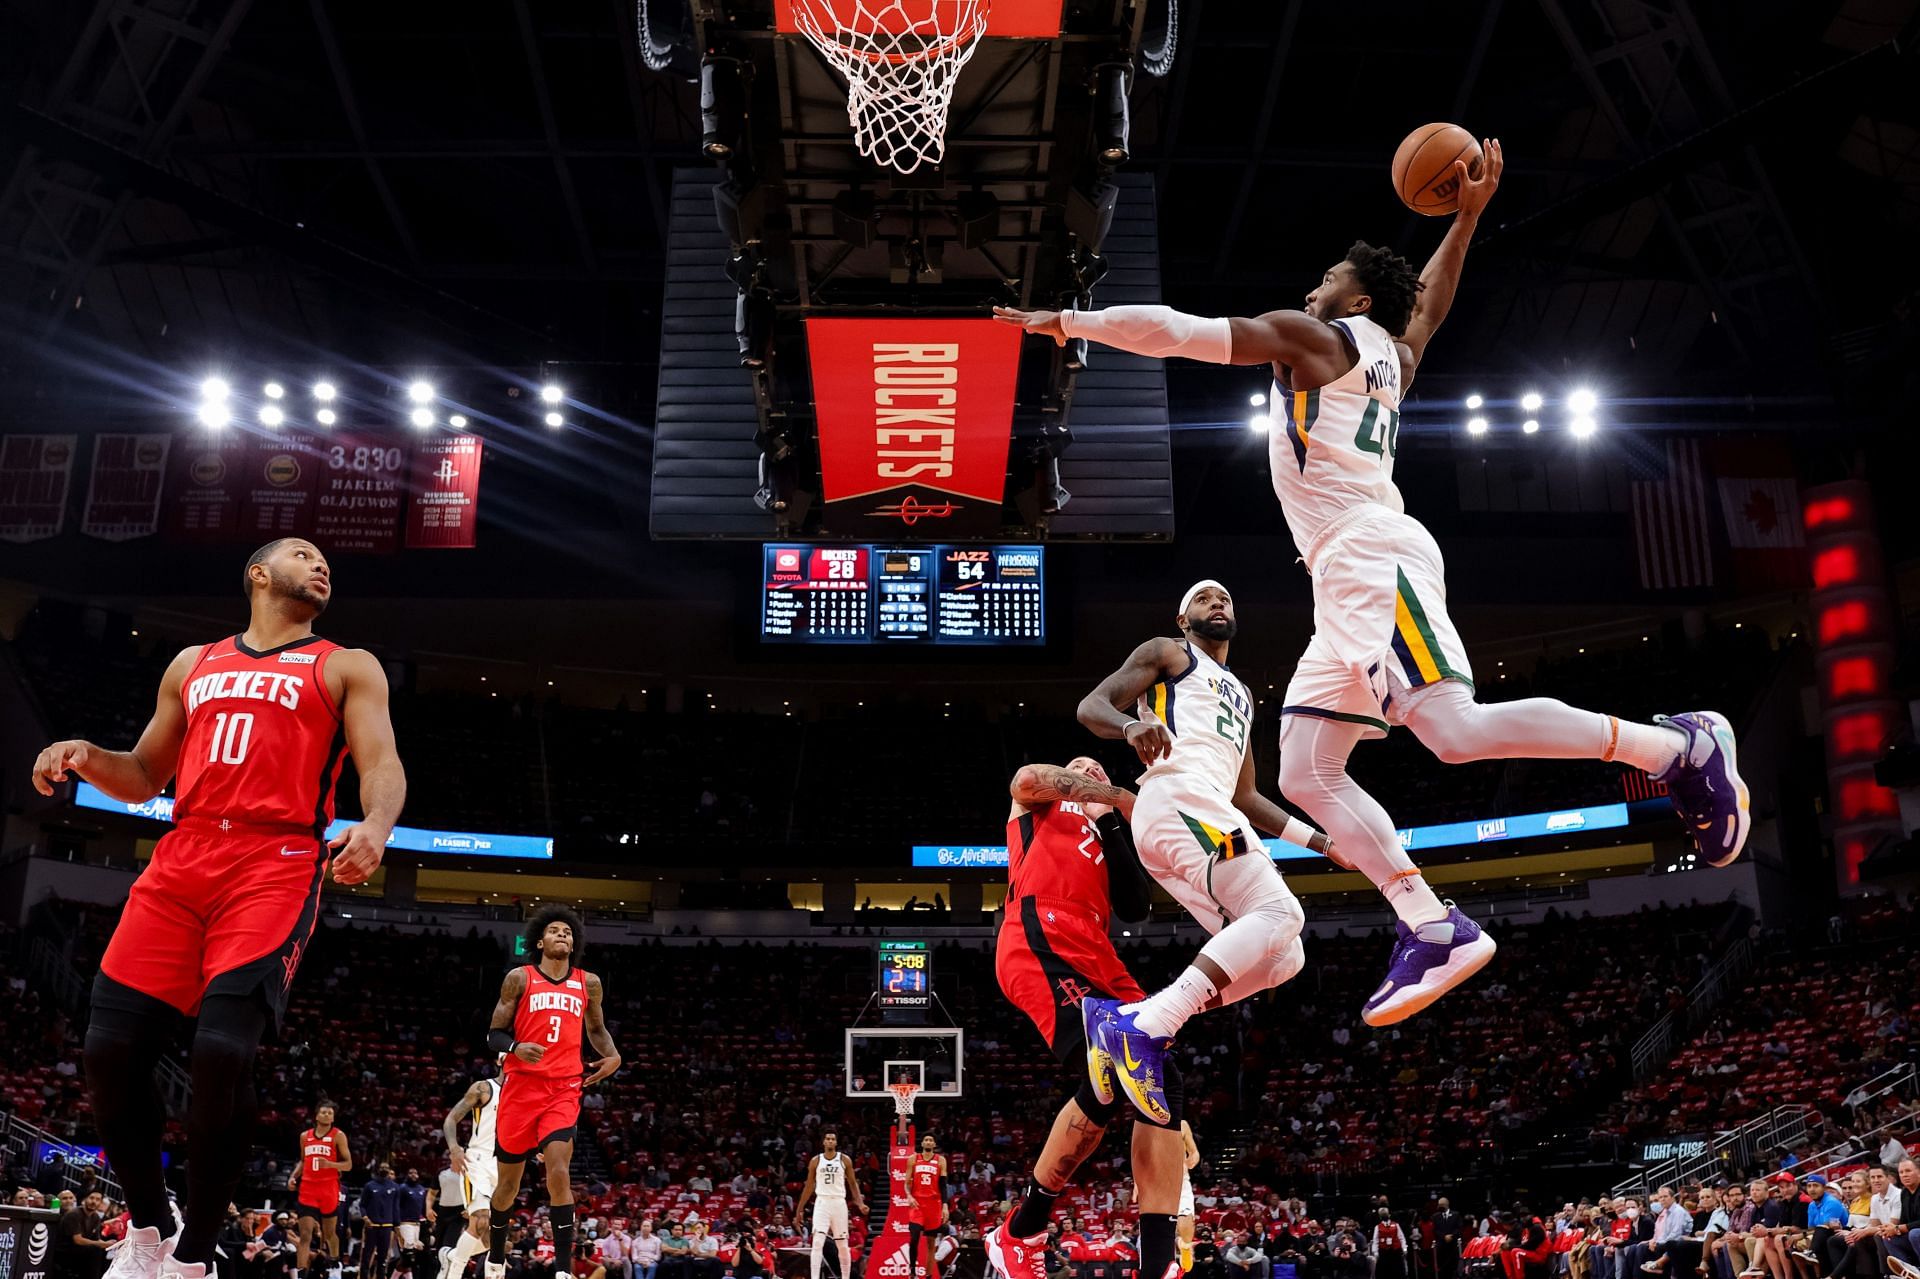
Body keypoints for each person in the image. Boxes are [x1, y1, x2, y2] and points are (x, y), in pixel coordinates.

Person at [998, 140, 1751, 1026]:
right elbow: (1429, 302)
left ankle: (1675, 747)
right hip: (1342, 576)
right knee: (1308, 767)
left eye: (1327, 277)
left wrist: (1070, 322)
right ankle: (1429, 922)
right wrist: (1466, 218)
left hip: (1369, 557)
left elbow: (1180, 331)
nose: (1313, 286)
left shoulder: (1313, 339)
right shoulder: (1394, 347)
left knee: (1455, 731)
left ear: (1351, 298)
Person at [31, 538, 404, 1279]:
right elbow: (141, 774)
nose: (321, 564)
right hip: (182, 857)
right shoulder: (193, 662)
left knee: (222, 1053)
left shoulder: (346, 663)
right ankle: (147, 1227)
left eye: (326, 558)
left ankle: (195, 1257)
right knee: (108, 1053)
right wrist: (83, 753)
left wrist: (376, 824)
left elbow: (382, 762)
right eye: (304, 553)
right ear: (258, 574)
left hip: (276, 861)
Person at [1070, 584, 1332, 1120]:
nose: (1218, 604)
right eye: (1205, 598)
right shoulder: (1170, 652)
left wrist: (1321, 841)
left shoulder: (1243, 693)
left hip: (1206, 812)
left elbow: (1248, 796)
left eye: (1227, 599)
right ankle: (1144, 1027)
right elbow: (1090, 706)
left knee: (1285, 957)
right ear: (1183, 615)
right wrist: (1129, 726)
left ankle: (1127, 1018)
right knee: (1282, 912)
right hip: (1178, 795)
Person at [983, 758, 1189, 1279]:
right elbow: (1025, 778)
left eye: (1094, 765)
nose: (1085, 767)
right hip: (1041, 930)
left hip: (1095, 946)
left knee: (1157, 1072)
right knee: (1118, 1059)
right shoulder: (1039, 803)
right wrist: (1114, 793)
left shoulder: (1104, 824)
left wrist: (1112, 817)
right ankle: (1023, 1233)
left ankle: (1152, 1257)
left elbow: (1137, 906)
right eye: (1079, 764)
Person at [485, 908, 622, 1279]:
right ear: (540, 942)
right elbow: (493, 1034)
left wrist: (612, 1055)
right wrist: (515, 1047)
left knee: (559, 1169)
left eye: (568, 931)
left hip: (563, 1087)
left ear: (573, 942)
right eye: (554, 931)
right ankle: (496, 1255)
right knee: (507, 1188)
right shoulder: (519, 978)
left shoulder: (588, 982)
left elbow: (597, 1029)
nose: (562, 935)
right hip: (521, 1089)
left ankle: (563, 1270)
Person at [437, 1073, 502, 1279]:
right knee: (480, 1221)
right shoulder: (484, 1088)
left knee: (495, 1239)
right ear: (501, 1061)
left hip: (504, 1165)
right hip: (478, 1160)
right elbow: (451, 1119)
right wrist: (454, 1148)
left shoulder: (522, 1091)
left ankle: (450, 1256)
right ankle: (454, 1273)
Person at [793, 1131, 866, 1279]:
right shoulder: (815, 1161)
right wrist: (799, 1209)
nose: (830, 1141)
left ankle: (845, 1277)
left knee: (842, 1245)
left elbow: (852, 1183)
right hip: (822, 1202)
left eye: (833, 1139)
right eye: (828, 1139)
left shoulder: (844, 1160)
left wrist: (860, 1203)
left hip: (839, 1202)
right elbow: (809, 1187)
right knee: (818, 1241)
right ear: (824, 1142)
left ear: (836, 1142)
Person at [292, 1104, 352, 1272]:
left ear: (333, 1118)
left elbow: (348, 1164)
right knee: (305, 1235)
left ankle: (335, 1263)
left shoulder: (338, 1136)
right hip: (308, 1188)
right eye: (323, 1112)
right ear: (316, 1116)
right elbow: (303, 1161)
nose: (326, 1115)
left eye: (330, 1113)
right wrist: (293, 1176)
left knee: (330, 1233)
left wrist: (330, 1164)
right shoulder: (305, 1136)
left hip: (329, 1188)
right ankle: (301, 1272)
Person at [909, 1135, 948, 1279]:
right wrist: (909, 1195)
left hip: (933, 1204)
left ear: (934, 1144)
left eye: (931, 1140)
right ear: (922, 1143)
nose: (928, 1142)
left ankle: (928, 1275)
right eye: (926, 1140)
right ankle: (912, 1271)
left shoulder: (941, 1160)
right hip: (918, 1204)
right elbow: (907, 1183)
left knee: (931, 1243)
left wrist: (944, 1206)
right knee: (914, 1238)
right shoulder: (913, 1159)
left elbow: (943, 1186)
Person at [56, 1191, 111, 1279]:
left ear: (100, 1203)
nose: (94, 1202)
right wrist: (101, 1244)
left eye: (97, 1200)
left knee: (106, 1252)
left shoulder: (96, 1217)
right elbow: (78, 1240)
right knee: (95, 1250)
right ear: (85, 1199)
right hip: (66, 1250)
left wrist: (109, 1244)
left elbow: (97, 1240)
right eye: (91, 1198)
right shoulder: (74, 1214)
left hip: (82, 1250)